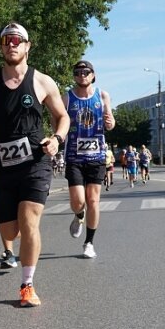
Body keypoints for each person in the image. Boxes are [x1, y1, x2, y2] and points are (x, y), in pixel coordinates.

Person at [0, 22, 70, 307]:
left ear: (27, 46)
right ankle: (20, 242)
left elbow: (62, 117)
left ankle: (27, 285)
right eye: (6, 41)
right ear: (2, 47)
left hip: (35, 163)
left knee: (29, 221)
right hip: (3, 167)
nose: (11, 44)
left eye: (16, 40)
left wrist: (57, 139)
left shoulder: (43, 81)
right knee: (12, 232)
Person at [63, 60, 116, 258]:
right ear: (74, 76)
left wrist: (111, 122)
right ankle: (78, 215)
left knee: (93, 200)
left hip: (97, 155)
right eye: (78, 72)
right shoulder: (66, 98)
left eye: (86, 72)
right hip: (74, 156)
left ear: (93, 75)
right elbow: (57, 120)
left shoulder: (102, 96)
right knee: (78, 202)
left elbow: (110, 124)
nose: (82, 75)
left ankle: (89, 243)